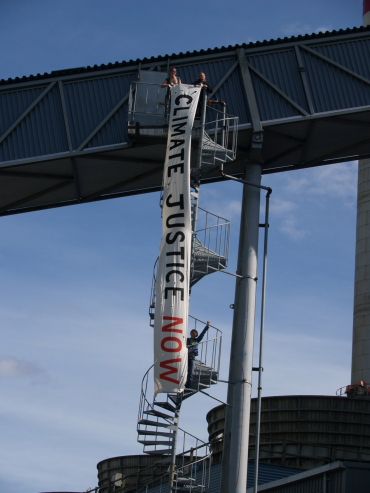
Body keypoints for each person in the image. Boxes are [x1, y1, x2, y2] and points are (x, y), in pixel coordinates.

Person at [186, 321, 211, 388]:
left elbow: (202, 333)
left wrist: (207, 326)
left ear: (196, 334)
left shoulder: (197, 340)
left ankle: (188, 386)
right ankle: (183, 384)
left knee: (190, 372)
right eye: (192, 332)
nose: (193, 333)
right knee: (184, 371)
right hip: (185, 357)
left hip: (191, 357)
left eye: (195, 332)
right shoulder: (187, 340)